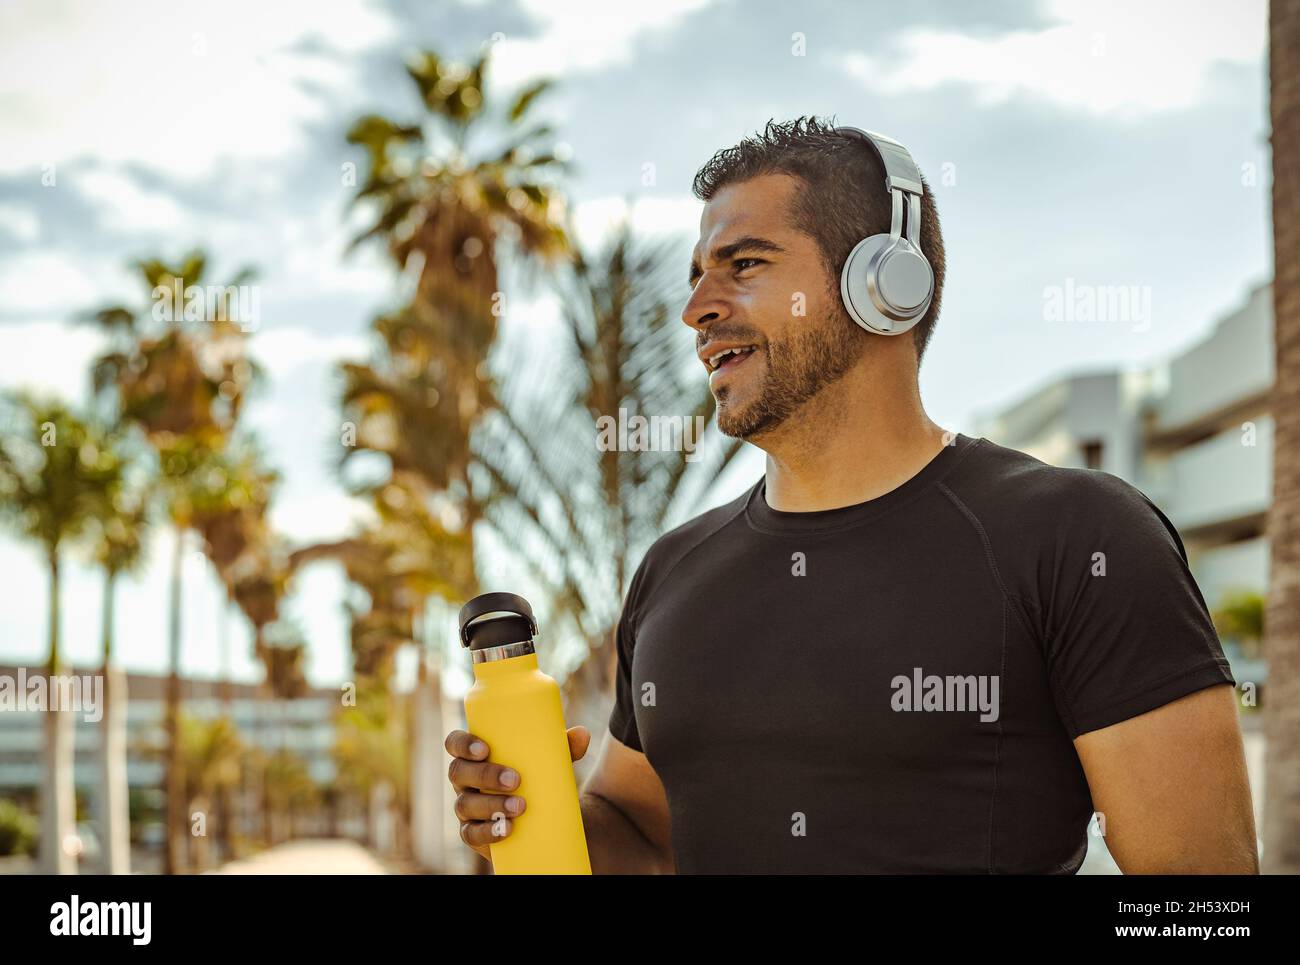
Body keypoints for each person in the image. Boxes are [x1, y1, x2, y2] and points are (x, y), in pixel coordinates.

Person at [446, 116, 1258, 874]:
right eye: (696, 278)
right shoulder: (672, 569)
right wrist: (530, 803)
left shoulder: (1079, 536)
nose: (697, 310)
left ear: (884, 282)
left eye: (745, 264)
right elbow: (637, 830)